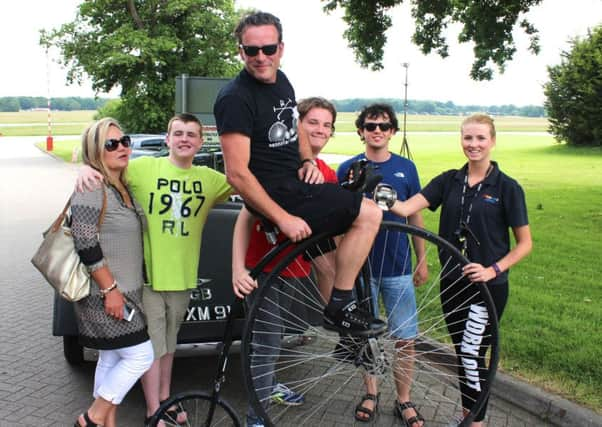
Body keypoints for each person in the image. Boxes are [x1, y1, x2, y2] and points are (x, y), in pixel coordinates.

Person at [214, 11, 385, 340]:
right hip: (279, 195)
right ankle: (340, 305)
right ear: (240, 52)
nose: (261, 57)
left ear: (281, 48)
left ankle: (345, 322)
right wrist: (283, 218)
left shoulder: (282, 81)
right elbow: (236, 174)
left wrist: (307, 160)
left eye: (268, 48)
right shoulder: (236, 98)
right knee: (369, 213)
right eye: (252, 51)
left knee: (341, 241)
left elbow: (294, 128)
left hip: (296, 183)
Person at [76, 113, 232, 426]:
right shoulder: (143, 168)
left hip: (182, 277)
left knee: (168, 345)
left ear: (201, 142)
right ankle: (151, 411)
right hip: (145, 280)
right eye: (178, 133)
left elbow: (244, 180)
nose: (185, 139)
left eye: (191, 134)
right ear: (167, 139)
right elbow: (99, 164)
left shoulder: (210, 179)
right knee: (148, 351)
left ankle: (163, 400)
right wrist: (82, 167)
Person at [387, 114, 532, 427]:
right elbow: (404, 209)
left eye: (480, 138)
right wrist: (375, 189)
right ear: (461, 140)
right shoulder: (449, 181)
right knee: (463, 354)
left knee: (471, 354)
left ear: (492, 141)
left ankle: (475, 422)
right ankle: (469, 416)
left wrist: (493, 269)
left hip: (487, 288)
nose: (474, 144)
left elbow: (524, 244)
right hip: (452, 283)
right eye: (468, 138)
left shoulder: (507, 188)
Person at [231, 97, 338, 427]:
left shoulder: (327, 175)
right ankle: (256, 417)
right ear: (297, 129)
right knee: (266, 341)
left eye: (327, 125)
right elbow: (245, 218)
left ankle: (268, 385)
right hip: (261, 270)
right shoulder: (279, 165)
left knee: (273, 338)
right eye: (312, 123)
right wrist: (238, 268)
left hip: (295, 270)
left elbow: (327, 235)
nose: (320, 130)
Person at [337, 103, 427, 426]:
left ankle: (404, 399)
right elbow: (339, 218)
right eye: (371, 126)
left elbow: (415, 213)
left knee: (406, 338)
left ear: (392, 132)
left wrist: (422, 258)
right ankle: (371, 393)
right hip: (360, 271)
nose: (377, 131)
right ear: (360, 130)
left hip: (398, 266)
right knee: (366, 337)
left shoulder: (407, 168)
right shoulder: (347, 168)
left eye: (384, 126)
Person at [71, 118, 154, 427]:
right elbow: (85, 242)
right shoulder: (92, 185)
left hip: (125, 293)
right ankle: (90, 419)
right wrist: (110, 291)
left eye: (125, 140)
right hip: (105, 295)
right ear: (96, 151)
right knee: (140, 356)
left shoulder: (122, 185)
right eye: (111, 143)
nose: (122, 147)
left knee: (112, 358)